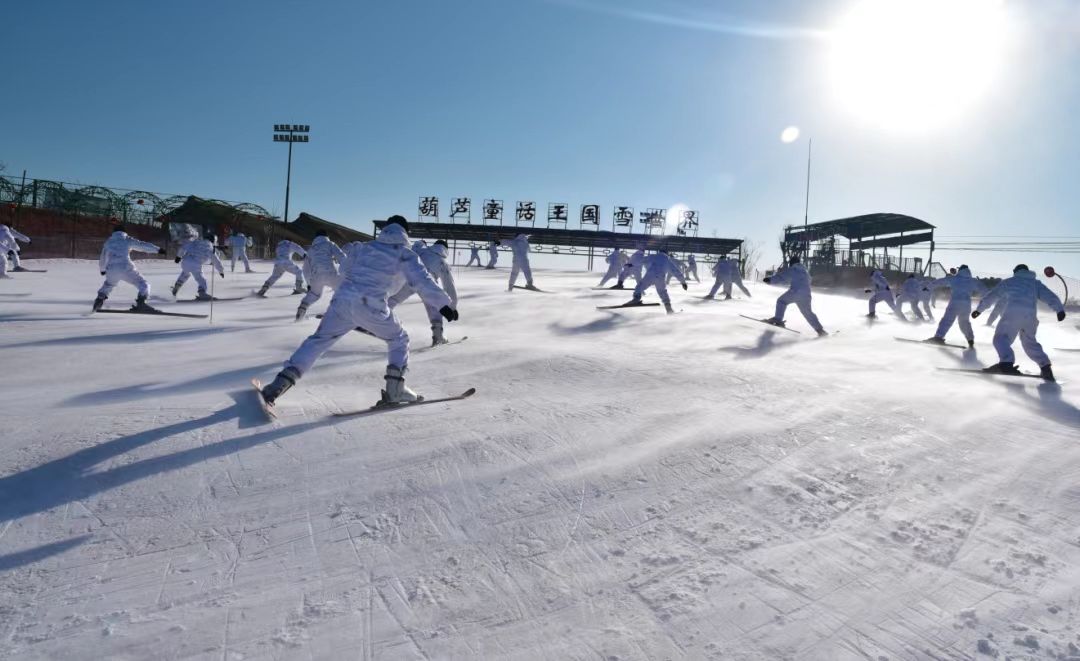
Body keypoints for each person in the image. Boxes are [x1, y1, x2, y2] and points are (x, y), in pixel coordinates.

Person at [258, 215, 458, 408]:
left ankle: (279, 384)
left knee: (318, 341)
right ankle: (396, 389)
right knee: (399, 339)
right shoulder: (405, 254)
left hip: (342, 300)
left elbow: (344, 269)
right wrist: (445, 305)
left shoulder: (365, 247)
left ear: (385, 230)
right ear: (405, 232)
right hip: (371, 305)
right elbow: (423, 281)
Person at [972, 263, 1066, 380]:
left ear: (1016, 272)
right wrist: (1059, 310)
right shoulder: (1035, 283)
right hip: (1030, 316)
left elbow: (993, 295)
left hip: (1013, 313)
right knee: (1030, 343)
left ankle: (1006, 363)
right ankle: (1045, 367)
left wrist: (979, 310)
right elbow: (1049, 295)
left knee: (1001, 338)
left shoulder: (1010, 282)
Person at [389, 239, 458, 345]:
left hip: (410, 278)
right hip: (428, 284)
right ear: (446, 250)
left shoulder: (423, 250)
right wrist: (452, 307)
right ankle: (438, 335)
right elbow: (449, 285)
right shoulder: (442, 262)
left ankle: (374, 315)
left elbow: (414, 248)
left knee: (394, 298)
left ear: (434, 245)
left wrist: (420, 242)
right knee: (434, 307)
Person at [93, 226, 166, 311]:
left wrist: (102, 269)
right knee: (143, 284)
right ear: (124, 231)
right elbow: (141, 245)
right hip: (125, 267)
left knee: (108, 285)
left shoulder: (108, 242)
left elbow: (103, 257)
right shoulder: (126, 239)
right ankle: (141, 303)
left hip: (111, 269)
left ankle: (99, 301)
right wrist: (158, 250)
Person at [923, 265, 986, 348]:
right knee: (964, 322)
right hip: (966, 305)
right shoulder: (973, 281)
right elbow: (985, 291)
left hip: (955, 303)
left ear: (960, 270)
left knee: (947, 320)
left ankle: (938, 337)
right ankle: (970, 339)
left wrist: (928, 287)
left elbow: (940, 282)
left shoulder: (954, 279)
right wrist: (983, 302)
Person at [763, 256, 827, 335]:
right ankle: (820, 330)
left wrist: (770, 280)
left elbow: (782, 277)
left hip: (796, 292)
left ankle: (778, 319)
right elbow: (807, 281)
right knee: (807, 312)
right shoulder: (805, 272)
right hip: (806, 295)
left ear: (792, 263)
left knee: (781, 301)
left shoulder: (794, 269)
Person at [295, 230, 347, 321]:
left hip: (316, 277)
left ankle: (302, 310)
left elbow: (306, 269)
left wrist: (309, 283)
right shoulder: (330, 244)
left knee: (314, 294)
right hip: (331, 274)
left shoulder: (311, 249)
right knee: (343, 291)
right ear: (326, 236)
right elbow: (341, 257)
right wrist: (347, 269)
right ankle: (342, 314)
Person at [624, 249, 687, 314]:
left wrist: (631, 264)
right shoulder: (668, 261)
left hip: (650, 275)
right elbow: (676, 272)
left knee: (640, 286)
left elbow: (642, 260)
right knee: (662, 292)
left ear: (659, 252)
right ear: (666, 253)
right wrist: (683, 282)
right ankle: (668, 308)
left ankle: (636, 299)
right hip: (660, 278)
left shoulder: (654, 256)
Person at [171, 229, 224, 300]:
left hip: (186, 261)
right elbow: (216, 260)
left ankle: (176, 287)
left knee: (185, 274)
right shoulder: (210, 248)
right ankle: (202, 293)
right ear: (213, 241)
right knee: (201, 280)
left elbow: (184, 247)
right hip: (196, 264)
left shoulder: (196, 242)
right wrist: (221, 271)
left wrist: (178, 256)